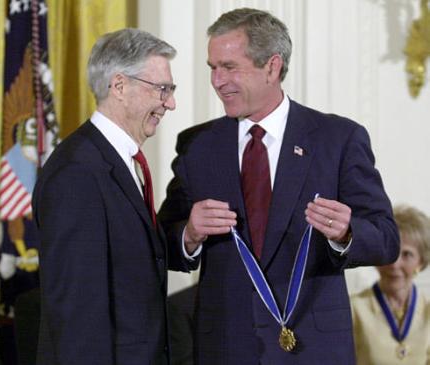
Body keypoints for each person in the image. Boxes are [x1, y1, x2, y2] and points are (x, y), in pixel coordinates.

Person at [158, 8, 400, 365]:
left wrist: (347, 233)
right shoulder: (198, 146)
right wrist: (189, 235)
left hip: (313, 348)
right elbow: (163, 241)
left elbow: (386, 240)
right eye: (212, 68)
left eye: (229, 67)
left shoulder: (338, 139)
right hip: (225, 346)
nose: (217, 81)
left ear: (272, 67)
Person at [32, 28, 179, 365]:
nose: (170, 103)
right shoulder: (77, 174)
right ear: (119, 86)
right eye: (162, 89)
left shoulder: (114, 162)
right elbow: (77, 314)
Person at [351, 205, 430, 364]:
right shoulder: (353, 308)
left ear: (421, 261)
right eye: (390, 252)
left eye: (407, 254)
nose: (394, 265)